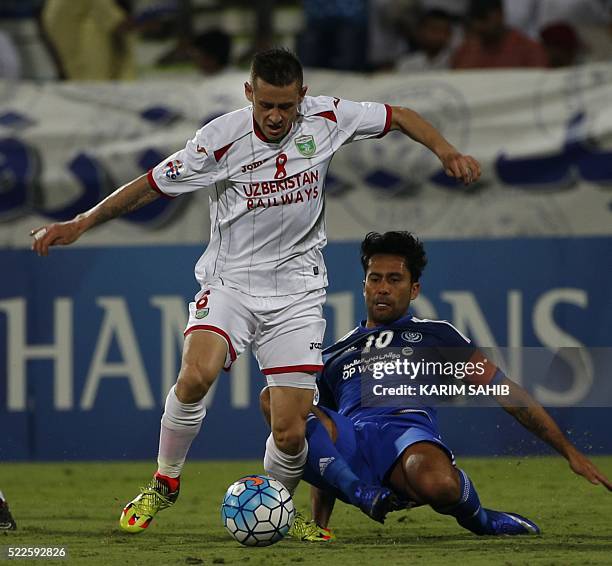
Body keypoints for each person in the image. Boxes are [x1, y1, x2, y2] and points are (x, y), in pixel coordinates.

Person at [29, 48, 481, 534]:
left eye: (285, 106)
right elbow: (151, 185)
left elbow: (399, 116)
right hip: (231, 285)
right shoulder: (220, 140)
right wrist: (81, 222)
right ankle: (165, 482)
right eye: (265, 103)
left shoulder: (328, 117)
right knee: (197, 372)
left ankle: (278, 514)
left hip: (298, 294)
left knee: (290, 431)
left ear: (301, 97)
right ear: (249, 93)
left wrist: (446, 151)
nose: (274, 116)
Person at [261, 231, 612, 541]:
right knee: (277, 399)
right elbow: (319, 440)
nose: (383, 288)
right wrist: (322, 522)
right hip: (354, 442)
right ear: (364, 285)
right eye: (375, 278)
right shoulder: (334, 354)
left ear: (414, 289)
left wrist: (569, 452)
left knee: (440, 484)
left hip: (406, 438)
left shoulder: (437, 335)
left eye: (395, 279)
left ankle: (482, 520)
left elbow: (506, 392)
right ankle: (361, 492)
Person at [452, 0, 548, 69]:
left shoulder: (529, 50)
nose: (478, 25)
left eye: (482, 18)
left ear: (500, 14)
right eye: (474, 20)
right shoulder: (465, 51)